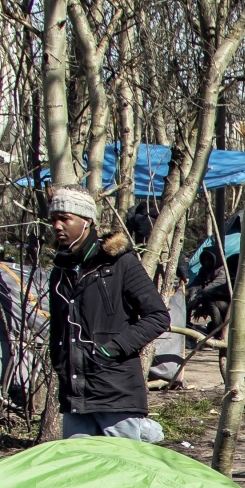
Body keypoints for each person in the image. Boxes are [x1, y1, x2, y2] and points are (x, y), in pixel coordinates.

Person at [47, 185, 170, 441]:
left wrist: (111, 349)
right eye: (54, 219)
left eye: (65, 219)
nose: (57, 225)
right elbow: (59, 327)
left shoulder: (120, 263)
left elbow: (158, 316)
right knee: (81, 472)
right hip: (76, 395)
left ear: (86, 221)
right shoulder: (60, 271)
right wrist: (60, 361)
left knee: (125, 470)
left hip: (116, 392)